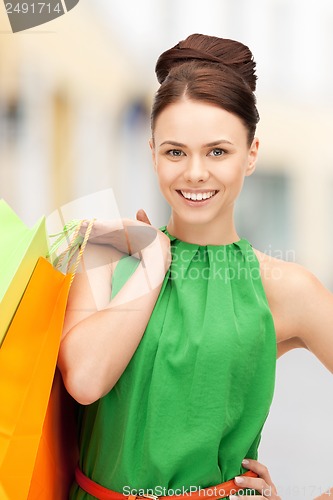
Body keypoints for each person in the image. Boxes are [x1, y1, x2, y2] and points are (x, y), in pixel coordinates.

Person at [58, 34, 333, 500]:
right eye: (175, 151)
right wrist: (153, 263)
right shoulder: (106, 248)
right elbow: (85, 380)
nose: (195, 172)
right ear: (153, 154)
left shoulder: (284, 287)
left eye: (218, 151)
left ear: (251, 155)